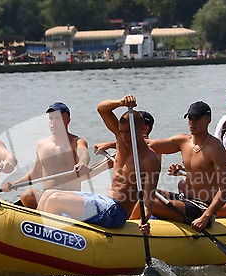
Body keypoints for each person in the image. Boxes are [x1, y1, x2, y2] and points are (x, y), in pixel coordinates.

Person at [37, 95, 161, 233]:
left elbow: (149, 199)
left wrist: (144, 221)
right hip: (105, 200)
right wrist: (120, 102)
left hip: (115, 212)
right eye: (121, 132)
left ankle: (49, 239)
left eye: (128, 132)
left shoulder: (150, 159)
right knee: (48, 194)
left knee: (54, 199)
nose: (124, 137)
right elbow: (101, 109)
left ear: (141, 130)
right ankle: (34, 234)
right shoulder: (121, 141)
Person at [142, 101, 226, 232]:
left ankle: (137, 230)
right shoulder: (183, 141)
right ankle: (132, 225)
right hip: (183, 199)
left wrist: (205, 217)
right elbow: (148, 144)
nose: (192, 122)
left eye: (196, 118)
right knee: (141, 194)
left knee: (152, 203)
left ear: (208, 120)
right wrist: (113, 144)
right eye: (190, 118)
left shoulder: (216, 148)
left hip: (202, 208)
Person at [1, 102, 90, 208]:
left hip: (68, 198)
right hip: (47, 196)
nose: (53, 122)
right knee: (28, 194)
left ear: (68, 120)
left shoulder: (77, 142)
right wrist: (14, 184)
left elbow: (84, 154)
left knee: (52, 200)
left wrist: (82, 162)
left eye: (57, 118)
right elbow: (36, 172)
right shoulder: (41, 144)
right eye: (51, 118)